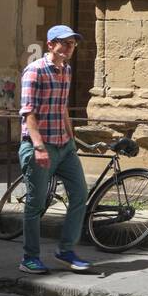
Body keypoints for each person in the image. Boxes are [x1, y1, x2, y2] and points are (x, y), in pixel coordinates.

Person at [18, 25, 91, 274]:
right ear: (50, 44)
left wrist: (73, 140)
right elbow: (28, 112)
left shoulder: (66, 70)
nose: (70, 48)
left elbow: (61, 108)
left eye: (73, 44)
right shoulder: (34, 71)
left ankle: (65, 249)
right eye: (65, 43)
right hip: (40, 145)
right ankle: (30, 257)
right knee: (36, 203)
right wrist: (38, 147)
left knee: (80, 194)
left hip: (64, 145)